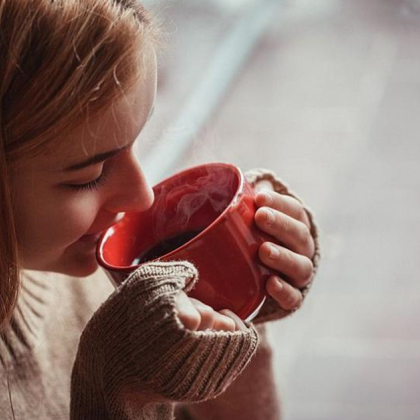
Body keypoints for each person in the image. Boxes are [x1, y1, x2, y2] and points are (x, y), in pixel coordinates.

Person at [0, 1, 320, 419]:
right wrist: (119, 395)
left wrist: (236, 318)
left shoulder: (88, 274)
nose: (142, 197)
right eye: (90, 175)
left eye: (137, 142)